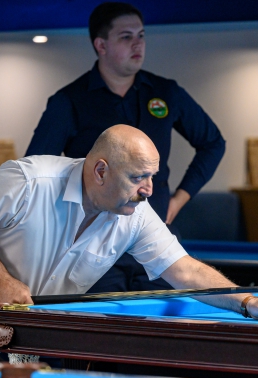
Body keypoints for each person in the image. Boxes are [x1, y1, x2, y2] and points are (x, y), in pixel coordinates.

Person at [0, 125, 258, 371]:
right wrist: (0, 281)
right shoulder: (29, 181)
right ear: (100, 170)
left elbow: (184, 269)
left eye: (152, 177)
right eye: (138, 177)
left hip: (31, 315)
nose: (149, 190)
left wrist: (245, 301)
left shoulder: (135, 214)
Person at [25, 2, 226, 293]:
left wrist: (178, 200)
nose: (138, 44)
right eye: (126, 37)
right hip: (94, 245)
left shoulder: (165, 92)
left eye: (141, 35)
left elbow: (213, 143)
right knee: (102, 322)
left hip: (155, 240)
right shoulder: (69, 101)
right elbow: (36, 170)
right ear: (101, 45)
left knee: (162, 319)